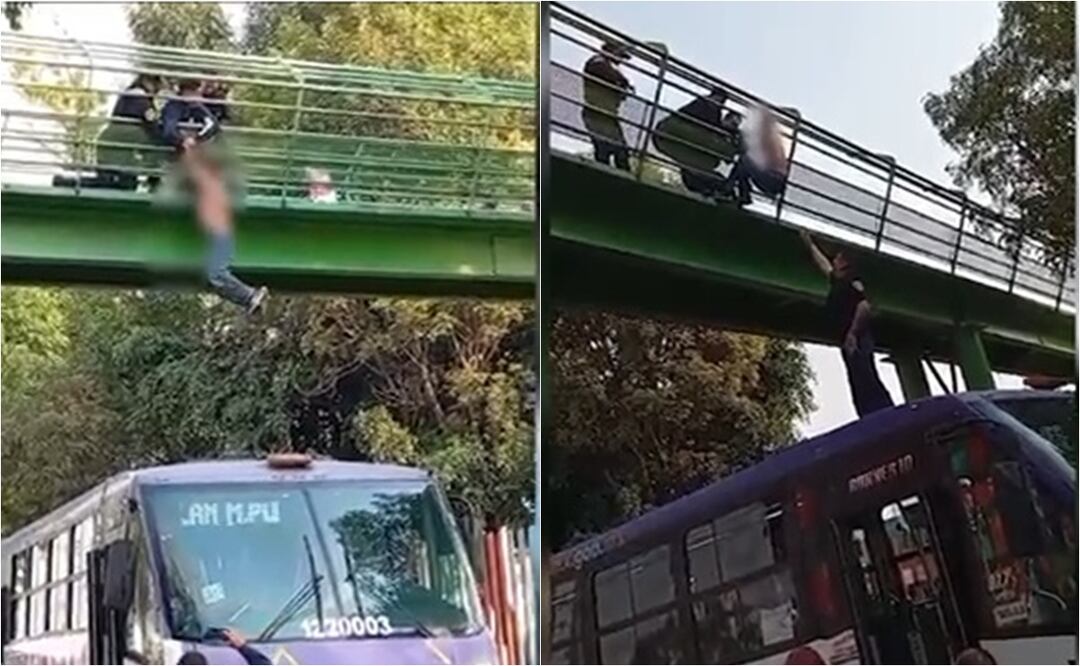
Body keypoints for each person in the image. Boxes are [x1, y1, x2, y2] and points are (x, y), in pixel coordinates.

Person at [160, 79, 268, 314]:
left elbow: (214, 128)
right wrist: (183, 141)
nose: (198, 97)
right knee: (216, 270)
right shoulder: (174, 108)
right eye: (195, 93)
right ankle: (249, 296)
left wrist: (195, 140)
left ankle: (249, 296)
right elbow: (168, 130)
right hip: (199, 179)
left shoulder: (201, 110)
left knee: (216, 271)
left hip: (209, 184)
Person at [800, 230, 895, 418]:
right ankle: (869, 416)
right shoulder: (838, 282)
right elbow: (823, 264)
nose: (834, 260)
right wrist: (807, 241)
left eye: (837, 258)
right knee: (857, 377)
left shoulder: (853, 282)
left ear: (844, 263)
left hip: (858, 338)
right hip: (848, 338)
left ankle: (883, 412)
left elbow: (864, 305)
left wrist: (852, 333)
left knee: (864, 375)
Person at [53, 73, 164, 191]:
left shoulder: (129, 96)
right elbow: (151, 122)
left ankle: (67, 182)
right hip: (121, 142)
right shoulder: (140, 97)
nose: (156, 91)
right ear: (148, 81)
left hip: (112, 141)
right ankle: (154, 180)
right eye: (156, 86)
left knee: (112, 182)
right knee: (117, 183)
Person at [653, 87, 742, 197]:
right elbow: (711, 129)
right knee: (707, 160)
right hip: (675, 133)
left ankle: (710, 189)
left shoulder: (710, 110)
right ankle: (714, 189)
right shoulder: (705, 106)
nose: (718, 103)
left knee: (702, 164)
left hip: (680, 141)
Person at [581, 41, 633, 171]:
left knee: (621, 152)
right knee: (604, 150)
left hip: (608, 115)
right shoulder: (597, 61)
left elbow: (620, 92)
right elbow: (602, 69)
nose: (621, 60)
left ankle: (623, 181)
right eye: (620, 55)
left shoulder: (608, 67)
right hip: (596, 113)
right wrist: (623, 81)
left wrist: (622, 89)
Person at [719, 107, 787, 206]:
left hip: (772, 179)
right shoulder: (770, 136)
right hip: (775, 179)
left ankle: (729, 190)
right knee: (744, 164)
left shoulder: (766, 136)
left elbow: (745, 151)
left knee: (744, 161)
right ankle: (740, 192)